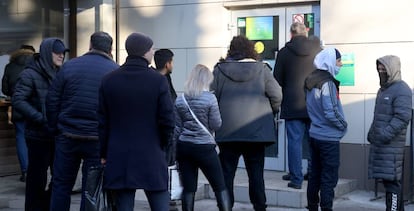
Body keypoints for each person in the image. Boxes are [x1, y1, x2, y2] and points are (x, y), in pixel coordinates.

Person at [98, 32, 175, 211]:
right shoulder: (158, 80)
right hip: (152, 151)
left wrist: (104, 152)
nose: (153, 51)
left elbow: (103, 122)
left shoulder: (109, 80)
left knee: (123, 203)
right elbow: (167, 120)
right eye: (151, 48)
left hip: (119, 153)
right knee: (159, 201)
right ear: (143, 52)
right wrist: (162, 144)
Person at [46, 31, 119, 211]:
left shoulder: (69, 66)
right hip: (97, 140)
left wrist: (56, 127)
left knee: (61, 185)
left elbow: (52, 100)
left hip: (67, 136)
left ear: (89, 46)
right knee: (91, 189)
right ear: (110, 50)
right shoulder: (115, 71)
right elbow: (117, 109)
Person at [211, 35, 282, 211]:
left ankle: (225, 207)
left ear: (231, 49)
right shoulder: (263, 69)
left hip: (227, 131)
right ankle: (259, 207)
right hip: (256, 132)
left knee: (227, 173)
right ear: (251, 49)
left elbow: (211, 97)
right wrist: (269, 112)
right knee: (256, 174)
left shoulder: (220, 70)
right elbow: (277, 95)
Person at [12, 38, 68, 211]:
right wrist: (40, 118)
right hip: (38, 135)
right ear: (46, 53)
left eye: (63, 52)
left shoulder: (61, 72)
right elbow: (18, 100)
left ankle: (46, 205)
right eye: (57, 52)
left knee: (61, 177)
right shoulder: (30, 74)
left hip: (58, 135)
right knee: (37, 179)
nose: (61, 55)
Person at [175, 64, 231, 211]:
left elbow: (177, 127)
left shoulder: (180, 100)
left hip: (185, 147)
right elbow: (216, 124)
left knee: (188, 188)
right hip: (205, 147)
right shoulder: (210, 99)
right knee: (219, 186)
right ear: (206, 80)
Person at [273, 22, 321, 189]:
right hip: (314, 102)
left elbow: (277, 79)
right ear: (306, 32)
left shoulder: (284, 53)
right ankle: (312, 173)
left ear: (291, 34)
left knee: (294, 141)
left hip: (292, 103)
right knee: (313, 140)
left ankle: (296, 178)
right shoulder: (317, 51)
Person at [304, 47, 347, 211]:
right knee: (329, 178)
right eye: (338, 61)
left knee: (314, 175)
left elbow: (310, 108)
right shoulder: (327, 83)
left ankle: (313, 207)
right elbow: (331, 112)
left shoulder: (310, 79)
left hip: (315, 134)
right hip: (328, 138)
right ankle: (326, 208)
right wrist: (344, 125)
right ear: (329, 61)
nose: (340, 64)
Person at [367, 55, 412, 211]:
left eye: (383, 68)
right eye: (379, 68)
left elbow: (403, 117)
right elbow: (379, 116)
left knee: (392, 184)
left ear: (392, 69)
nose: (380, 71)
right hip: (381, 146)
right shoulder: (383, 90)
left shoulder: (402, 90)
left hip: (391, 148)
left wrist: (384, 134)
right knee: (389, 183)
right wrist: (372, 133)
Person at [2, 44, 35, 182]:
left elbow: (4, 89)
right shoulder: (37, 64)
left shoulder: (10, 67)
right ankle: (37, 170)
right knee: (36, 139)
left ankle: (26, 171)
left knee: (21, 138)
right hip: (35, 107)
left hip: (19, 107)